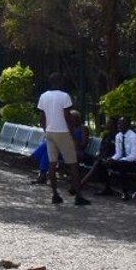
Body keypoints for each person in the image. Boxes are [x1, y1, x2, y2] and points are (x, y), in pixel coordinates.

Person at [36, 73, 90, 207]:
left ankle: (55, 195)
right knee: (73, 164)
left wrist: (45, 129)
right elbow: (67, 116)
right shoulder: (64, 96)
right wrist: (71, 134)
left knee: (52, 164)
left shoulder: (43, 96)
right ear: (60, 82)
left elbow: (41, 117)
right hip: (63, 132)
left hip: (50, 131)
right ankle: (78, 196)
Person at [108, 116, 136, 200]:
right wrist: (112, 159)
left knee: (122, 165)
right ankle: (107, 188)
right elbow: (118, 153)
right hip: (124, 162)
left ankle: (125, 192)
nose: (119, 126)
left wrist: (120, 161)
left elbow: (133, 156)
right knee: (104, 162)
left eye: (122, 124)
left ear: (127, 125)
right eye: (118, 124)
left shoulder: (133, 137)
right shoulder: (118, 136)